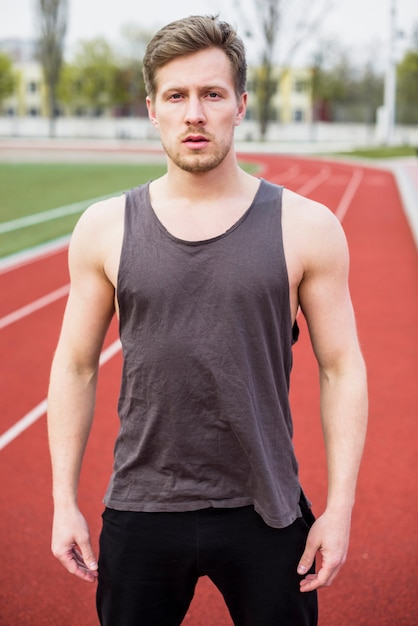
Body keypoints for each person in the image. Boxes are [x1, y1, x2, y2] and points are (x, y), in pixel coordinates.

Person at [47, 14, 368, 626]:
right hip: (142, 504)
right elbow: (76, 364)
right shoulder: (104, 226)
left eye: (212, 94)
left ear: (240, 105)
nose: (194, 113)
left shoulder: (307, 226)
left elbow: (341, 367)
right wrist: (64, 500)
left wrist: (341, 507)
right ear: (152, 109)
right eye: (177, 96)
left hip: (267, 508)